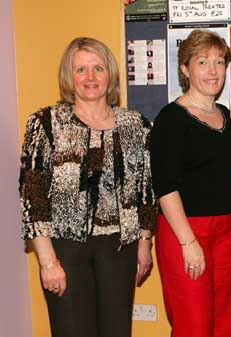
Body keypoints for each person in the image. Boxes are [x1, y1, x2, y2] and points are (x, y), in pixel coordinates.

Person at [19, 37, 155, 337]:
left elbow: (146, 190)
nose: (90, 78)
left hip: (121, 247)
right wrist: (47, 261)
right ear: (70, 77)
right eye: (81, 70)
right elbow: (33, 195)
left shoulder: (137, 125)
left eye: (98, 68)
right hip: (66, 250)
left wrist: (145, 244)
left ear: (111, 74)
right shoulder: (46, 124)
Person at [150, 30, 231, 337]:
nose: (212, 70)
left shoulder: (227, 116)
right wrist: (188, 243)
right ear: (184, 68)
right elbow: (165, 186)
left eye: (219, 62)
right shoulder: (171, 119)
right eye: (202, 62)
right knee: (193, 323)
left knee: (224, 321)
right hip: (186, 231)